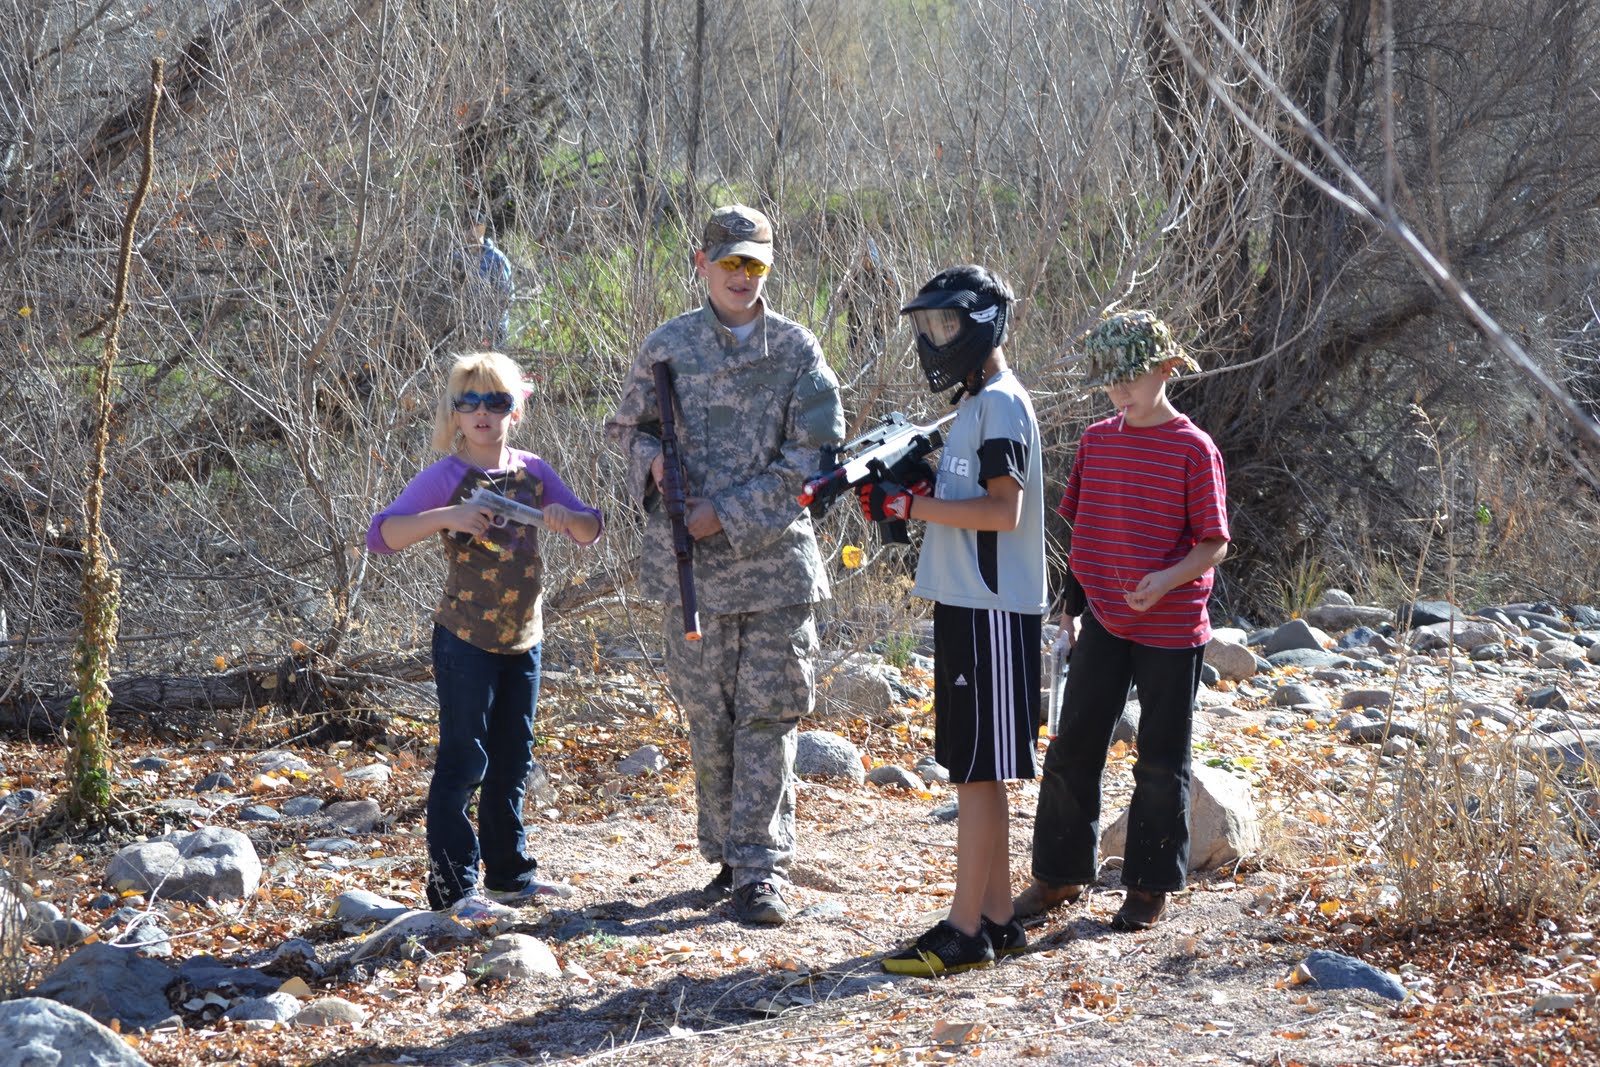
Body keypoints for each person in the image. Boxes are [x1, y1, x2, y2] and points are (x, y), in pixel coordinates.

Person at [605, 204, 844, 926]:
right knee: (709, 719)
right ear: (702, 263)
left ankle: (762, 867)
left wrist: (727, 512)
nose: (743, 275)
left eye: (755, 263)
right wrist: (656, 471)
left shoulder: (796, 350)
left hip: (774, 569)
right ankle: (727, 855)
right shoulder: (667, 347)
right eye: (730, 261)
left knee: (769, 717)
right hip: (693, 573)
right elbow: (624, 429)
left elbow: (814, 460)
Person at [1016, 310, 1229, 932]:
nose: (1120, 391)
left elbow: (1214, 542)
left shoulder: (1194, 447)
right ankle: (1058, 876)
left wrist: (1164, 580)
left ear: (1166, 369)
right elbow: (1085, 532)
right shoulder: (1097, 440)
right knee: (1073, 746)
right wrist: (1071, 611)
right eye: (1110, 381)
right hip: (1104, 620)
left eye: (1131, 377)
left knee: (1162, 761)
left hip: (1171, 627)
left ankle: (1149, 886)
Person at [860, 264, 1047, 976]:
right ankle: (998, 922)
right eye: (929, 326)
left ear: (982, 323)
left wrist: (913, 507)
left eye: (947, 324)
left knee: (976, 775)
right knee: (978, 770)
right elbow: (969, 491)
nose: (937, 338)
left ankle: (963, 931)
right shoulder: (975, 405)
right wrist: (914, 477)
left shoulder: (1001, 403)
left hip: (993, 611)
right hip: (969, 605)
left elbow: (1006, 510)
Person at [368, 350, 602, 913]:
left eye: (496, 401)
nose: (482, 412)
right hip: (464, 639)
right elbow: (382, 535)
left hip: (525, 637)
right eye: (468, 402)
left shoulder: (534, 470)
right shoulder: (446, 477)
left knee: (512, 757)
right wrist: (446, 517)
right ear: (454, 415)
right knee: (463, 759)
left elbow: (590, 528)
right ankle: (454, 890)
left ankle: (510, 876)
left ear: (515, 410)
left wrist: (568, 520)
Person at [451, 213, 515, 348]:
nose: (467, 231)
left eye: (472, 226)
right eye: (465, 227)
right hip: (464, 328)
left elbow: (507, 297)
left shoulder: (496, 258)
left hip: (493, 330)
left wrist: (486, 320)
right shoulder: (457, 257)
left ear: (482, 228)